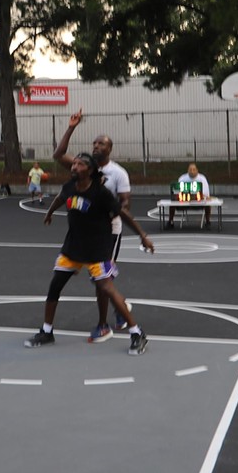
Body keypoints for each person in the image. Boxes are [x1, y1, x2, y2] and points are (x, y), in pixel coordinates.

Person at [26, 152, 153, 354]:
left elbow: (123, 214)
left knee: (107, 288)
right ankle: (47, 331)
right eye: (73, 163)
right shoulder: (69, 187)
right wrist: (49, 213)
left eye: (80, 164)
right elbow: (60, 198)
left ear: (90, 170)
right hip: (73, 247)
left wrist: (142, 235)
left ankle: (137, 333)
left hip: (97, 249)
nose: (74, 167)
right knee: (55, 285)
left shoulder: (100, 193)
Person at [53, 108, 145, 335]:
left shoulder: (118, 173)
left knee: (101, 280)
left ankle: (105, 323)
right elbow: (58, 154)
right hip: (84, 232)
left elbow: (125, 204)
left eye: (101, 144)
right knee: (99, 280)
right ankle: (119, 308)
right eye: (94, 143)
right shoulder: (83, 167)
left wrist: (109, 214)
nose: (96, 146)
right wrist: (71, 127)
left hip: (108, 230)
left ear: (109, 149)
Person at [178, 162, 213, 228]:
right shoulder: (182, 178)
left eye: (194, 169)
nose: (192, 171)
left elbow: (205, 194)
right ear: (187, 170)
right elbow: (178, 192)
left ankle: (208, 221)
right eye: (190, 169)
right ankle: (170, 222)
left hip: (199, 203)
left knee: (208, 205)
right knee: (172, 204)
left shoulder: (202, 178)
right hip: (184, 203)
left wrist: (196, 196)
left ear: (197, 170)